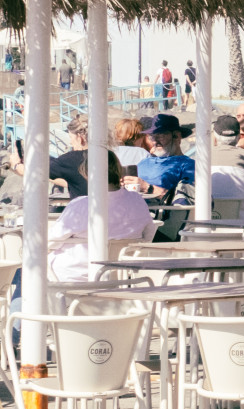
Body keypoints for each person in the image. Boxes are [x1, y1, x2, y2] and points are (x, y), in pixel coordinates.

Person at [48, 153, 156, 283]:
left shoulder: (81, 205)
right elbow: (148, 236)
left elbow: (49, 242)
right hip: (120, 279)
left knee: (26, 268)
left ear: (88, 173)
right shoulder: (137, 201)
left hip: (74, 279)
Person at [209, 114, 244, 212]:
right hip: (243, 220)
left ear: (215, 135)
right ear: (238, 136)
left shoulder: (204, 157)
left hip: (209, 219)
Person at [136, 113, 196, 202]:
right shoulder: (143, 162)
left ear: (177, 136)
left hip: (159, 213)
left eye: (160, 135)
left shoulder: (188, 165)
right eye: (152, 137)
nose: (155, 141)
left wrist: (147, 187)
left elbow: (185, 200)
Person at [47, 116, 97, 200]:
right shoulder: (109, 155)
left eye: (71, 137)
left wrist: (18, 165)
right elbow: (76, 183)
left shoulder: (71, 159)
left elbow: (40, 172)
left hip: (82, 210)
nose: (70, 142)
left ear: (79, 137)